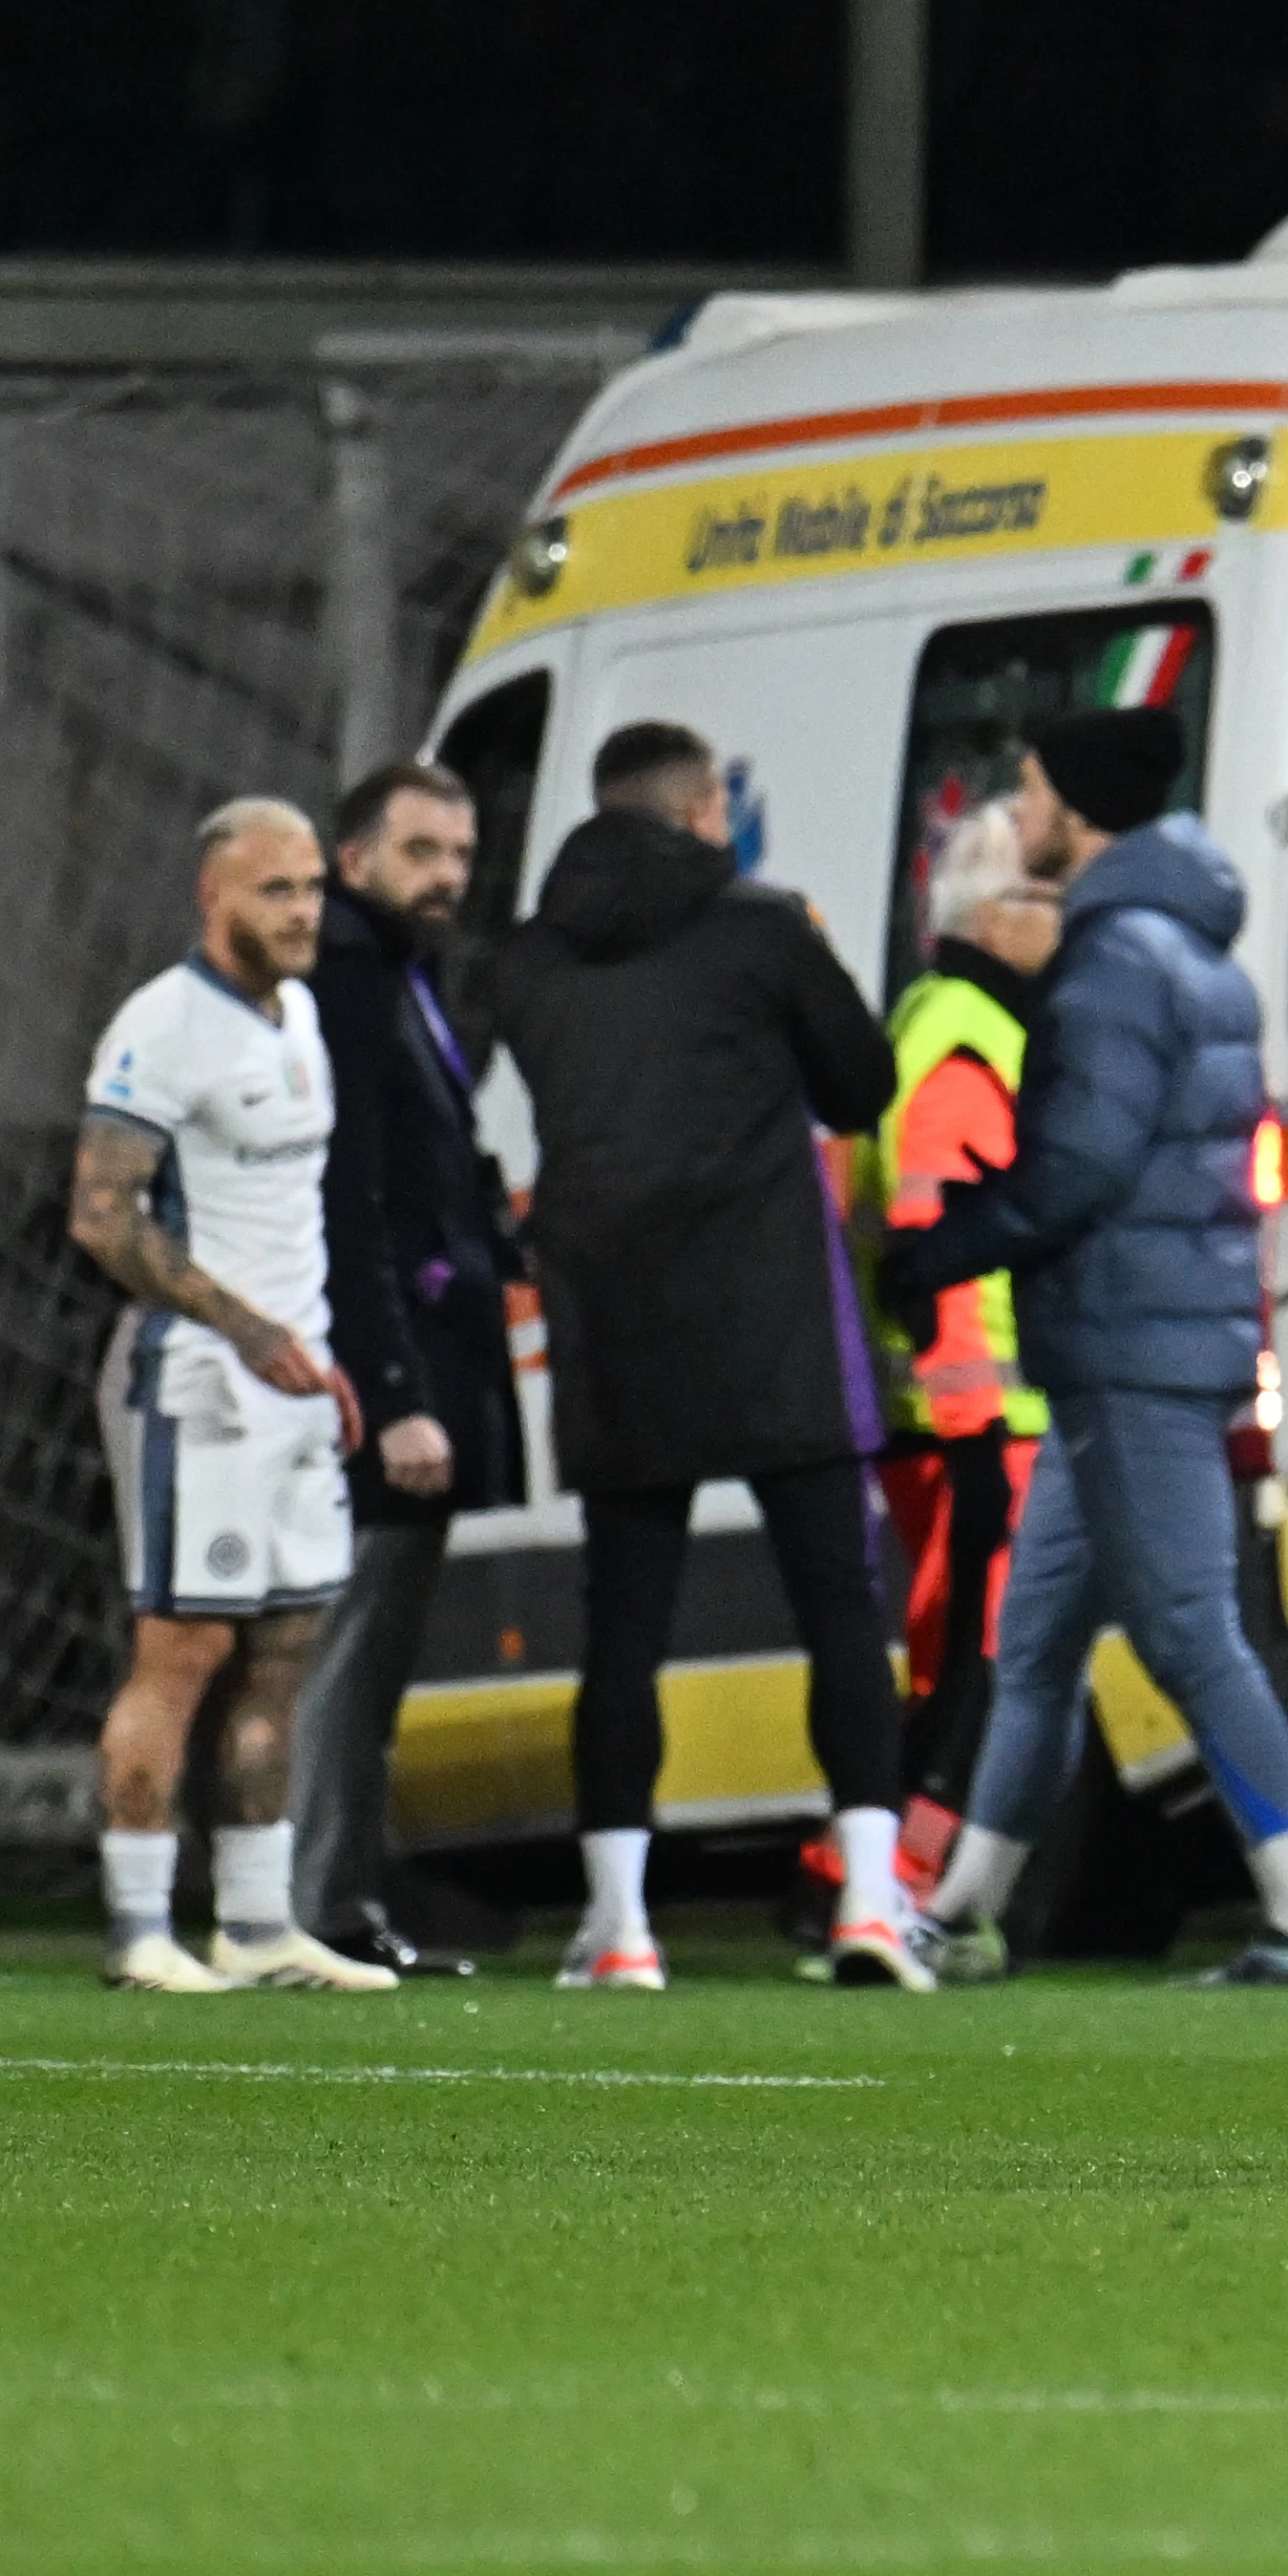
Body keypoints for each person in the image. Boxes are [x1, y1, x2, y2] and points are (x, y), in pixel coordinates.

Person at [884, 709, 1288, 1988]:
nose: (1021, 806)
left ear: (1077, 804)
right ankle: (961, 1913)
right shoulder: (1181, 948)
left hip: (1128, 1346)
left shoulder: (1115, 961)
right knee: (1035, 1645)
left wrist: (950, 1243)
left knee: (1190, 1630)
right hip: (1144, 1338)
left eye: (1031, 782)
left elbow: (1081, 1166)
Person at [485, 723, 914, 1993]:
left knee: (623, 1631)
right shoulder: (763, 928)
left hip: (613, 1321)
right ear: (705, 807)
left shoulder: (526, 958)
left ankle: (619, 1925)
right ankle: (873, 1910)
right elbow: (861, 1087)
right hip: (772, 1312)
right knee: (839, 1609)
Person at [68, 798, 389, 1997]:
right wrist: (247, 1331)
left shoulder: (301, 1015)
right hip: (196, 1384)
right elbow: (103, 1214)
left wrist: (315, 1352)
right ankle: (140, 1923)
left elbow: (287, 1223)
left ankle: (256, 1922)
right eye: (277, 891)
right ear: (215, 898)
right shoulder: (162, 1025)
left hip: (294, 1386)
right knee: (183, 1647)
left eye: (312, 887)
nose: (304, 911)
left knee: (283, 1649)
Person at [286, 758, 516, 1978]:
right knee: (350, 1644)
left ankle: (329, 1897)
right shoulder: (355, 981)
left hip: (398, 1362)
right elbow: (356, 1202)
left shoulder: (393, 978)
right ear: (356, 856)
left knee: (361, 1647)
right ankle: (318, 1906)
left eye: (462, 856)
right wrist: (396, 1391)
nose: (447, 879)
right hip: (380, 1380)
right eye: (422, 853)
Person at [858, 799, 1058, 1945]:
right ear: (990, 914)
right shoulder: (969, 1031)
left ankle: (891, 1878)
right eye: (1043, 900)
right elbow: (934, 1227)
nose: (1061, 921)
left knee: (968, 1662)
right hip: (975, 1411)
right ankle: (889, 1883)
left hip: (972, 1405)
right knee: (970, 1662)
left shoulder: (956, 1017)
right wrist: (965, 1399)